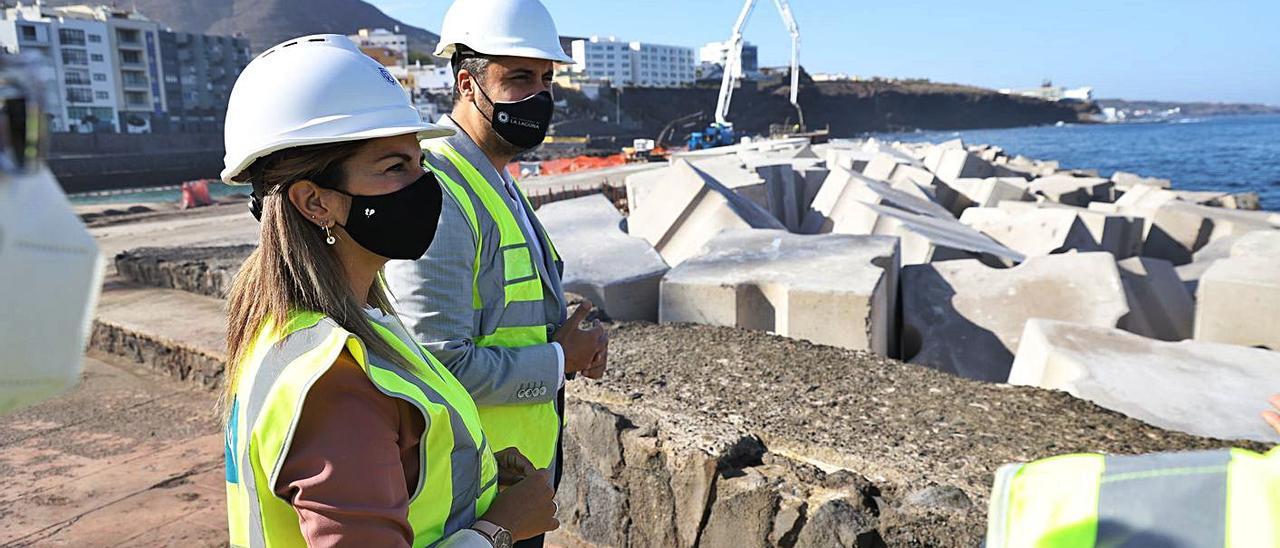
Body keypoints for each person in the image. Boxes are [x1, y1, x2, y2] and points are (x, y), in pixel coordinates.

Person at [220, 34, 557, 547]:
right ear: (315, 202)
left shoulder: (336, 327)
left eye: (419, 162)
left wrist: (479, 477)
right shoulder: (333, 382)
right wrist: (501, 528)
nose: (425, 186)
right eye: (395, 167)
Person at [384, 4, 608, 546]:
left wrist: (565, 342)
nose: (539, 96)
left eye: (547, 79)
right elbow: (434, 364)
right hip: (468, 502)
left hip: (510, 484)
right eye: (518, 78)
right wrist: (560, 360)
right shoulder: (436, 189)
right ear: (467, 82)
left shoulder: (495, 179)